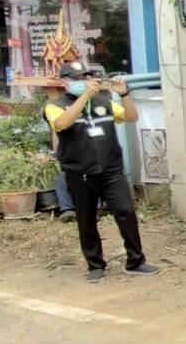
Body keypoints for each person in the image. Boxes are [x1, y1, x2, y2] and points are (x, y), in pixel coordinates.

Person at [46, 61, 159, 283]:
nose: (85, 81)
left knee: (126, 212)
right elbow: (63, 123)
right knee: (87, 220)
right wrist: (84, 96)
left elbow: (131, 117)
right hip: (80, 173)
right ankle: (95, 265)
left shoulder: (104, 101)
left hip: (111, 170)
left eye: (86, 76)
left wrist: (124, 94)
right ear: (65, 82)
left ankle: (136, 261)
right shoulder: (55, 106)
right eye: (79, 78)